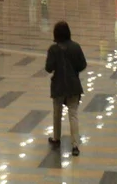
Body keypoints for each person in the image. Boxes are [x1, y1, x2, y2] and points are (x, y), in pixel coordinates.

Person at [45, 21, 87, 156]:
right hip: (73, 85)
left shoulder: (53, 49)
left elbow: (48, 68)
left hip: (58, 85)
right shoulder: (76, 47)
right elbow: (82, 65)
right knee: (73, 114)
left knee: (57, 113)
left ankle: (57, 138)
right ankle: (75, 145)